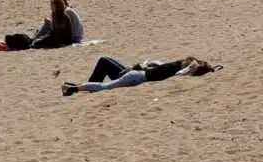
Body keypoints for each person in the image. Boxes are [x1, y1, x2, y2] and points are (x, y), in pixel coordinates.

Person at [62, 55, 217, 95]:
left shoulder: (172, 66)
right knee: (105, 87)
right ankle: (74, 89)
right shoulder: (179, 70)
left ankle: (75, 87)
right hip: (137, 77)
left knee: (106, 86)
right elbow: (185, 71)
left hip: (138, 74)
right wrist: (203, 67)